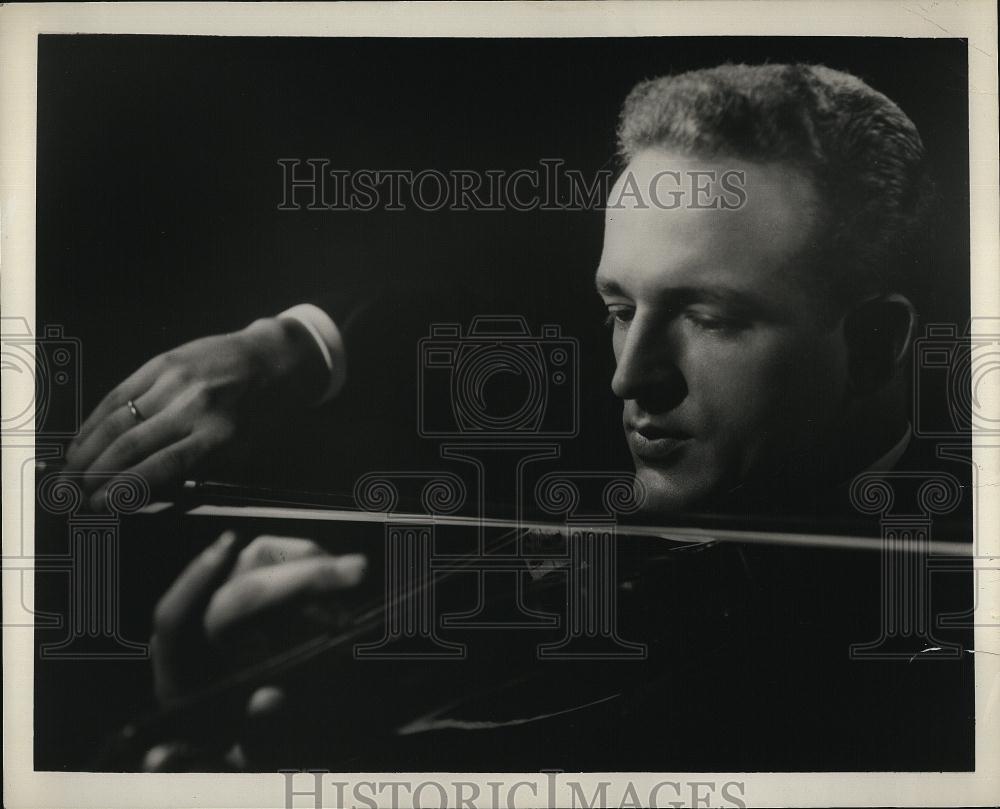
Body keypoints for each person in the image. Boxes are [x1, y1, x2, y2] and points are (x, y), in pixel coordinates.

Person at [66, 63, 972, 771]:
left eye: (711, 318)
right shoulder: (690, 421)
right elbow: (454, 304)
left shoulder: (932, 672)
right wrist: (285, 344)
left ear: (879, 344)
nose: (628, 378)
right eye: (618, 307)